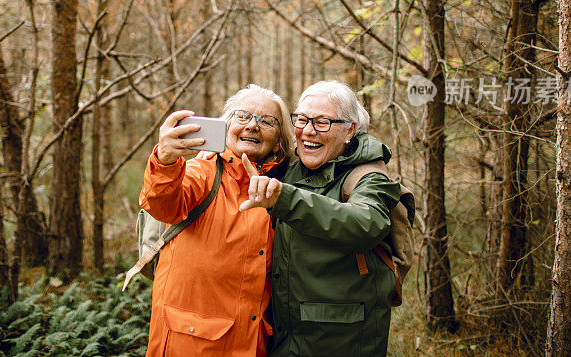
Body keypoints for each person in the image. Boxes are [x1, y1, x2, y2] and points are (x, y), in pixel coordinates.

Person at [239, 80, 400, 357]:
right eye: (301, 119)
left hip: (341, 339)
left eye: (322, 122)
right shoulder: (291, 167)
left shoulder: (370, 178)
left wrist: (285, 200)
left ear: (350, 129)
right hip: (282, 336)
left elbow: (365, 223)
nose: (307, 131)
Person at [140, 84, 294, 356]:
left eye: (267, 121)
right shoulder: (203, 172)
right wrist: (165, 160)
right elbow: (162, 203)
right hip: (190, 345)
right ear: (226, 125)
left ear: (280, 138)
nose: (252, 126)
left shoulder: (285, 186)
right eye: (242, 116)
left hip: (254, 343)